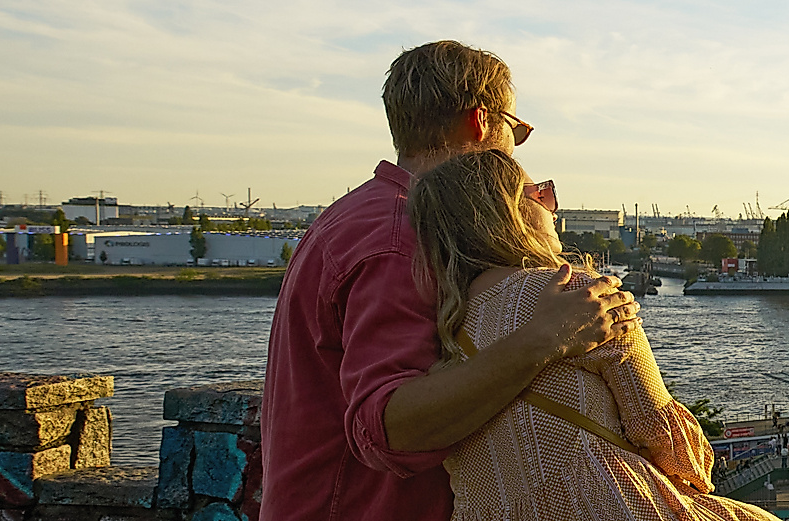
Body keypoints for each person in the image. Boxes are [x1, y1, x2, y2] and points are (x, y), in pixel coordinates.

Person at [262, 41, 635, 521]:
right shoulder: (404, 236)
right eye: (515, 132)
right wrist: (545, 338)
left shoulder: (357, 215)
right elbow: (389, 427)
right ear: (481, 122)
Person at [413, 151, 776, 521]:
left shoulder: (441, 326)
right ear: (509, 212)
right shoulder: (583, 298)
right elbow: (667, 441)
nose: (554, 208)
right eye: (543, 193)